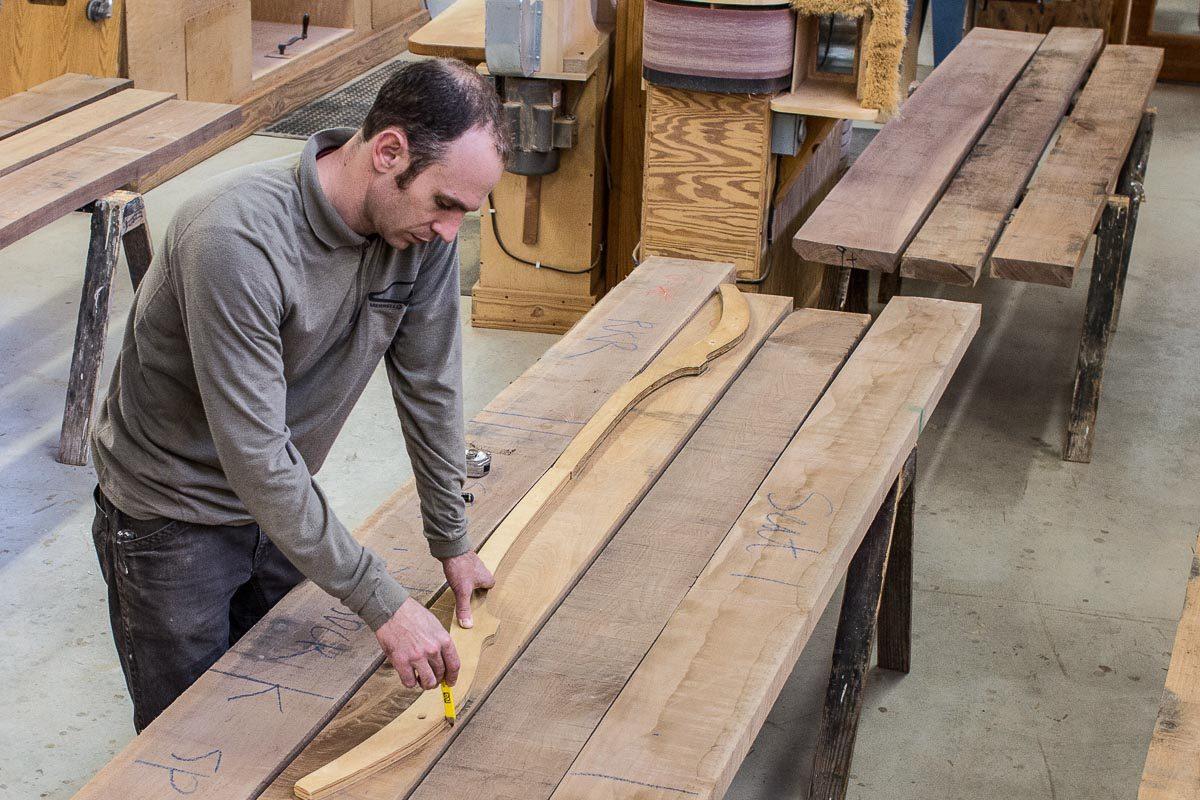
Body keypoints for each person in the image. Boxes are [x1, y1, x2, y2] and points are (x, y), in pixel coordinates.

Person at [88, 58, 507, 731]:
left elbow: (430, 386)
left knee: (285, 715)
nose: (451, 230)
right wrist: (385, 603)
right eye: (445, 204)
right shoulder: (235, 238)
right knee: (188, 741)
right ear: (388, 152)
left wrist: (451, 540)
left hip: (280, 500)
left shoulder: (419, 233)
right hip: (171, 515)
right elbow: (254, 454)